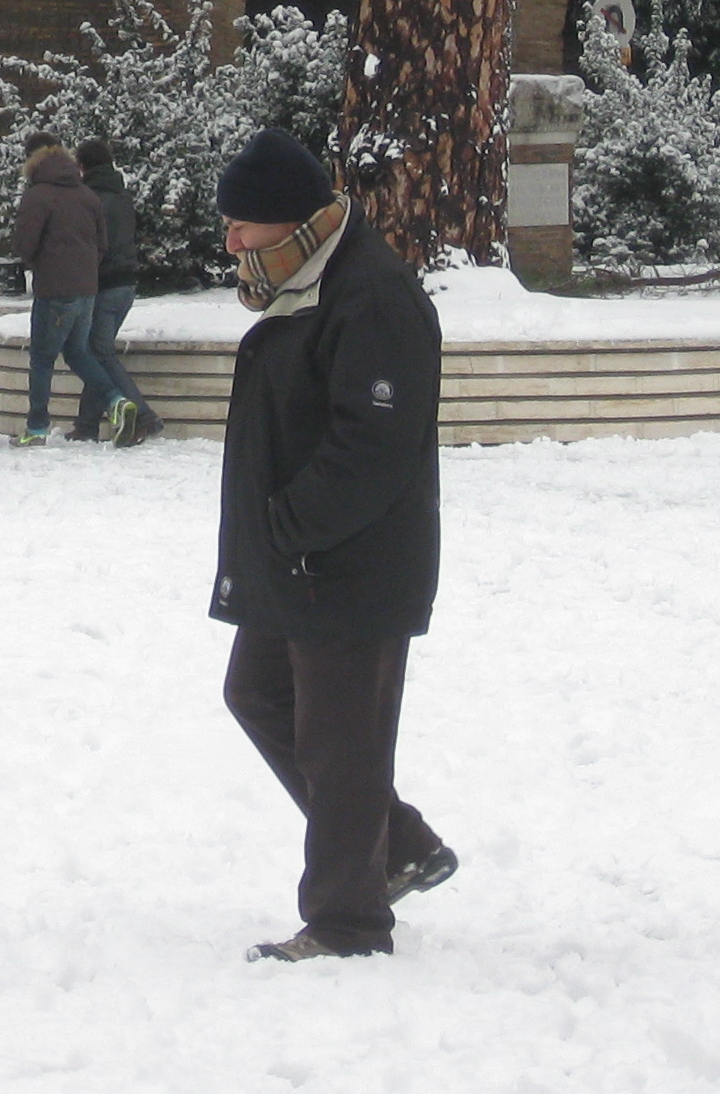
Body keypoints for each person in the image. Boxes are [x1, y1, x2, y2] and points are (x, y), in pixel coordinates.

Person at [209, 129, 456, 961]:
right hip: (299, 563)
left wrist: (288, 527)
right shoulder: (300, 283)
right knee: (260, 695)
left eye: (244, 227)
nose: (232, 243)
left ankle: (348, 924)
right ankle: (400, 846)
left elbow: (371, 447)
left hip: (350, 568)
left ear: (292, 223)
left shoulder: (371, 297)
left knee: (339, 743)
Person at [11, 145, 140, 446]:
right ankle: (116, 401)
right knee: (78, 352)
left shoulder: (38, 195)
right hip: (87, 289)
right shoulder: (87, 195)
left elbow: (24, 243)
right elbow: (102, 243)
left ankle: (37, 427)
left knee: (42, 358)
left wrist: (36, 263)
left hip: (55, 289)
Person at [67, 138, 161, 445]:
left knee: (98, 353)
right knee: (96, 351)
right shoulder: (122, 195)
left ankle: (144, 418)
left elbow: (92, 246)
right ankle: (86, 425)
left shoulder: (90, 198)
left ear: (82, 166)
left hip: (104, 285)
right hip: (126, 285)